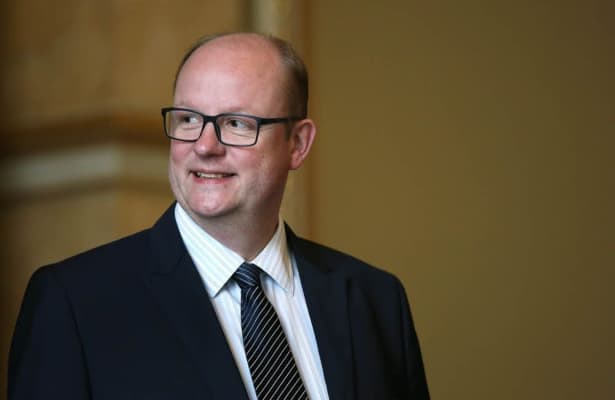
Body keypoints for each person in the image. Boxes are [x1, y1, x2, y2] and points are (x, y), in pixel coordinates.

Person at [8, 32, 429, 399]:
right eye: (188, 119)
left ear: (298, 144)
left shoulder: (375, 301)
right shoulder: (75, 303)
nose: (205, 146)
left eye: (236, 123)